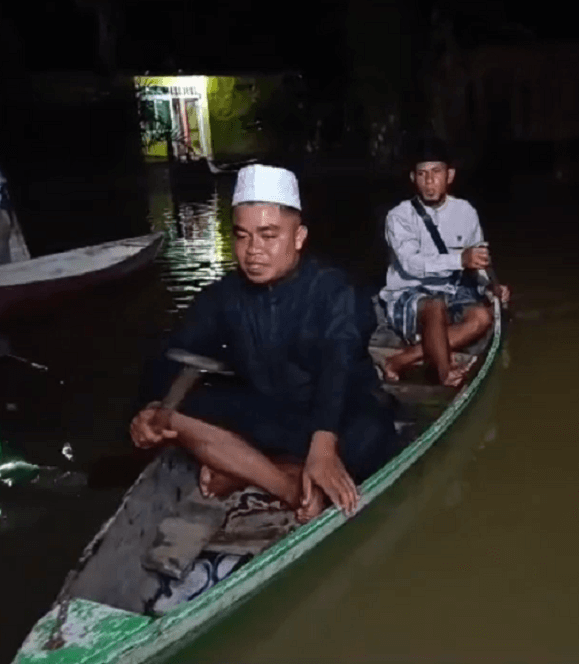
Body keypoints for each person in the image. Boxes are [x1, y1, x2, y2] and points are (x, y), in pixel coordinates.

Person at [130, 164, 400, 523]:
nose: (253, 250)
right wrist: (151, 410)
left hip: (337, 416)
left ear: (299, 237)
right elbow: (172, 355)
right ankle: (287, 484)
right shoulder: (224, 295)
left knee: (372, 435)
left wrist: (324, 443)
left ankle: (246, 468)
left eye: (268, 235)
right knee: (173, 413)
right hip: (269, 418)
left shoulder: (333, 290)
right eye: (242, 236)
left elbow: (339, 363)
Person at [378, 138, 511, 386]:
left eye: (436, 172)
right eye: (422, 174)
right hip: (410, 293)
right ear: (413, 178)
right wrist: (460, 258)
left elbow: (479, 260)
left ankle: (401, 359)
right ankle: (444, 373)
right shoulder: (398, 217)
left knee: (482, 318)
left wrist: (490, 287)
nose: (429, 181)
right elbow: (411, 264)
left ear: (449, 176)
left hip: (453, 289)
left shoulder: (466, 212)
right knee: (434, 305)